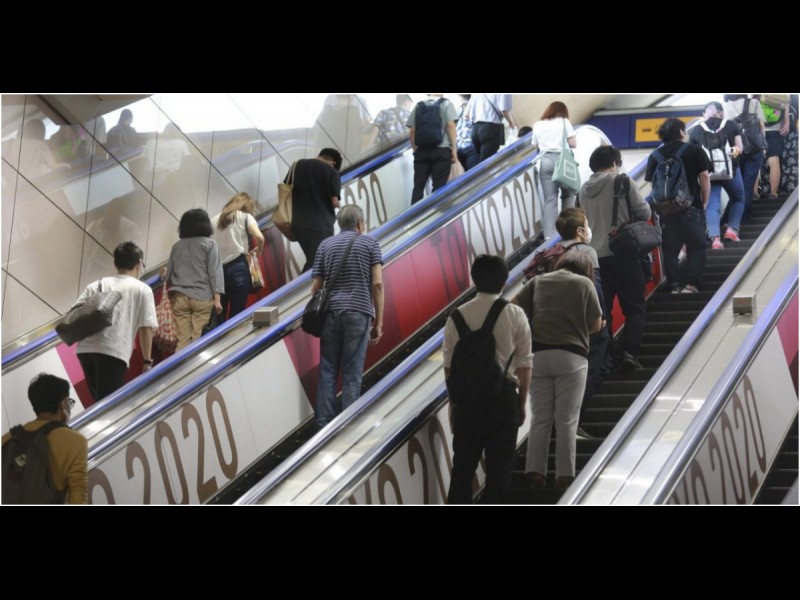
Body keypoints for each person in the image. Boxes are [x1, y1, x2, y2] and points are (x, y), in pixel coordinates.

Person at [444, 255, 532, 504]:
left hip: (467, 403)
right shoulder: (515, 313)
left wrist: (454, 405)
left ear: (474, 279)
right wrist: (521, 404)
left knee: (462, 472)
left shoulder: (456, 316)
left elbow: (449, 369)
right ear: (504, 281)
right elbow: (525, 364)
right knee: (499, 474)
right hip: (503, 401)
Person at [514, 253, 602, 492]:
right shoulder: (584, 284)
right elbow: (595, 324)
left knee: (540, 418)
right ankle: (564, 476)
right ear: (585, 268)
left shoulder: (538, 281)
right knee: (567, 419)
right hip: (571, 357)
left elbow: (513, 307)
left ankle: (536, 474)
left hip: (539, 356)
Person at [311, 205, 384, 428]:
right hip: (358, 313)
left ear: (340, 224)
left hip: (330, 315)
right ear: (360, 223)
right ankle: (348, 425)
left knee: (328, 370)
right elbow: (377, 283)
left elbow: (316, 287)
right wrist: (379, 322)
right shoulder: (370, 243)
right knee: (352, 373)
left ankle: (323, 424)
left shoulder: (325, 245)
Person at [579, 145, 650, 370]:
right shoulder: (623, 181)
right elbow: (645, 213)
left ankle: (606, 358)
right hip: (623, 254)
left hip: (594, 261)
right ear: (614, 163)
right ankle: (629, 353)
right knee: (635, 308)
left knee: (604, 312)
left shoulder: (583, 190)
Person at [75, 241, 157, 403]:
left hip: (85, 351)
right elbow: (146, 328)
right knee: (111, 406)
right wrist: (147, 361)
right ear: (139, 263)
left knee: (100, 403)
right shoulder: (142, 289)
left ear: (116, 264)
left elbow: (76, 312)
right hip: (112, 351)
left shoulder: (96, 284)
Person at [554, 207, 607, 438]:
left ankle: (565, 422)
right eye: (586, 225)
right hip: (585, 323)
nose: (588, 229)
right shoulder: (586, 251)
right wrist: (601, 317)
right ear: (579, 231)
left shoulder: (555, 252)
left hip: (560, 325)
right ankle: (573, 424)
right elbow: (595, 286)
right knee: (590, 369)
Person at [646, 118, 711, 294]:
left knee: (670, 250)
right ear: (682, 132)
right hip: (691, 207)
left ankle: (674, 285)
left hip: (666, 211)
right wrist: (704, 202)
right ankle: (690, 284)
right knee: (696, 247)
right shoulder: (694, 150)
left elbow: (652, 184)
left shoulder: (654, 156)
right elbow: (704, 176)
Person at [1, 374, 88, 504]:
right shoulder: (75, 441)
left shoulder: (7, 440)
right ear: (64, 404)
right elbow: (78, 496)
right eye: (70, 402)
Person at [688, 101, 745, 249]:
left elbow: (692, 155)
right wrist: (731, 155)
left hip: (708, 173)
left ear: (705, 114)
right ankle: (732, 229)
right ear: (721, 112)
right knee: (738, 198)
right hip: (731, 171)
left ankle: (715, 239)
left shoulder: (696, 130)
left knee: (712, 204)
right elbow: (739, 148)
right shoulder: (731, 125)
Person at [165, 209, 224, 350]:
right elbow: (215, 272)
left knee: (182, 341)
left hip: (180, 298)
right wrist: (217, 300)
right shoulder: (210, 244)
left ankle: (181, 363)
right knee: (199, 340)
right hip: (202, 297)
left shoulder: (176, 246)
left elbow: (168, 276)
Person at [286, 148, 342, 272]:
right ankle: (302, 284)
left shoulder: (297, 165)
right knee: (320, 262)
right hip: (320, 226)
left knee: (314, 259)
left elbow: (286, 188)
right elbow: (334, 202)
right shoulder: (331, 171)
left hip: (298, 224)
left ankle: (305, 283)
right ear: (333, 164)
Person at [212, 192, 265, 321]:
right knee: (237, 315)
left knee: (219, 317)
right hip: (238, 269)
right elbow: (260, 237)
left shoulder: (213, 221)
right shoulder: (245, 217)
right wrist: (259, 250)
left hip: (218, 273)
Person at [531, 101, 578, 240]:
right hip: (563, 162)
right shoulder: (564, 122)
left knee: (550, 199)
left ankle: (549, 236)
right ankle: (567, 231)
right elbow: (573, 143)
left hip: (545, 162)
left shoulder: (537, 125)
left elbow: (535, 145)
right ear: (563, 112)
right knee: (568, 195)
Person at [407, 93, 458, 203]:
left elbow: (412, 131)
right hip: (441, 151)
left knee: (418, 187)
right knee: (439, 187)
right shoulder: (446, 104)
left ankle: (415, 213)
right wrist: (454, 149)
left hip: (422, 152)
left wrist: (416, 151)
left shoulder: (418, 106)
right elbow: (450, 125)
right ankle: (437, 212)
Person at [723, 95, 766, 224]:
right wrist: (763, 145)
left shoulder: (726, 106)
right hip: (755, 149)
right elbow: (761, 126)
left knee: (737, 184)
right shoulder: (754, 103)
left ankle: (730, 218)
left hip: (736, 150)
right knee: (748, 184)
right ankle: (744, 218)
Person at [467, 94, 516, 163]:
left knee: (481, 163)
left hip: (475, 130)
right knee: (488, 164)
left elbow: (466, 114)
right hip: (490, 129)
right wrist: (511, 122)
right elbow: (504, 109)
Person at [760, 95, 791, 201]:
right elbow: (786, 103)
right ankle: (773, 193)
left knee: (754, 162)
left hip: (757, 129)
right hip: (775, 128)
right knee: (774, 161)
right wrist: (787, 123)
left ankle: (754, 193)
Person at [144, 122, 191, 189]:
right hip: (172, 180)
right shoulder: (181, 143)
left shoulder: (150, 142)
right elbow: (188, 160)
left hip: (151, 180)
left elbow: (144, 161)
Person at [455, 94, 479, 171]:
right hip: (471, 147)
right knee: (475, 174)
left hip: (459, 148)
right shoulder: (477, 107)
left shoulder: (457, 110)